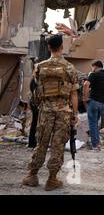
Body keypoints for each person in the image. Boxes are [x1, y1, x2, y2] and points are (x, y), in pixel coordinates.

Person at [21, 34, 79, 191]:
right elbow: (74, 94)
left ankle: (32, 175)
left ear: (48, 47)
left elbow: (35, 90)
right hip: (63, 112)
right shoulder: (69, 68)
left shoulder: (39, 67)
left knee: (42, 143)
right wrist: (75, 114)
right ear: (62, 46)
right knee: (58, 144)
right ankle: (52, 179)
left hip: (45, 110)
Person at [83, 60, 104, 151]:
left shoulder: (93, 74)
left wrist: (85, 98)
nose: (92, 69)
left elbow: (86, 85)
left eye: (92, 67)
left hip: (94, 102)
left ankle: (95, 145)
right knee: (96, 123)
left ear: (95, 67)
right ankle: (96, 143)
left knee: (93, 124)